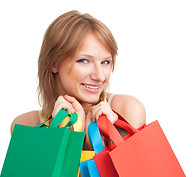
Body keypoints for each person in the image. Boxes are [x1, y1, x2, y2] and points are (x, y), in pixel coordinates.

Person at [11, 10, 146, 149]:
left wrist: (97, 143)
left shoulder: (127, 110)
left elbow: (137, 170)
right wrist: (61, 136)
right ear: (54, 63)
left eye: (105, 62)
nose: (99, 76)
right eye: (84, 61)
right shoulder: (26, 125)